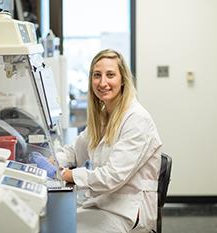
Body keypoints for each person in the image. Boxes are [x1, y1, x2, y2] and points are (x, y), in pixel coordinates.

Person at [56, 49, 162, 233]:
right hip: (104, 203)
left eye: (110, 75)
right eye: (97, 75)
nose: (102, 82)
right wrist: (50, 160)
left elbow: (112, 176)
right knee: (54, 224)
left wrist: (69, 175)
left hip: (128, 211)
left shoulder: (137, 119)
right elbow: (75, 152)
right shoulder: (104, 115)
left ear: (123, 80)